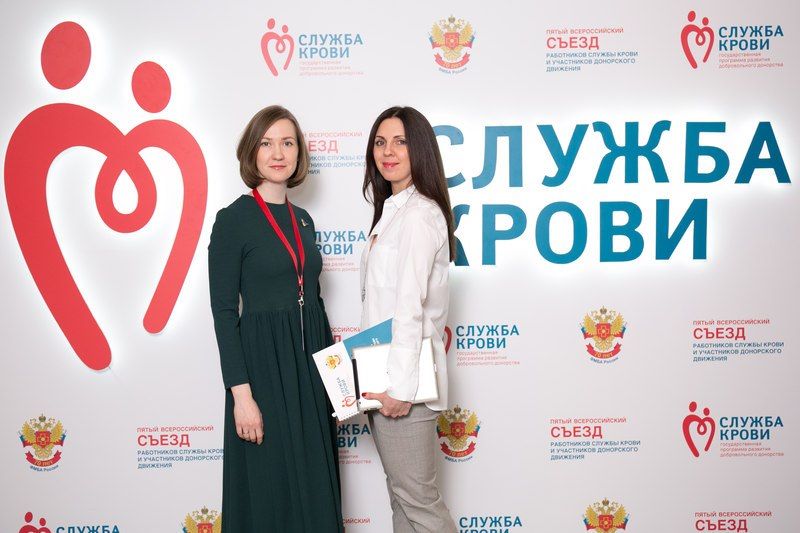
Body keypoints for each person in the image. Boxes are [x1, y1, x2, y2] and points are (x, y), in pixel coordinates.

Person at [208, 105, 343, 532]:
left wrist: (337, 384)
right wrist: (241, 397)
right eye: (267, 143)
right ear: (252, 151)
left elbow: (314, 302)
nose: (278, 153)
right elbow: (223, 313)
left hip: (309, 374)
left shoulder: (303, 220)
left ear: (299, 153)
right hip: (263, 375)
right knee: (271, 494)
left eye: (287, 142)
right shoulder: (233, 220)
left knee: (314, 491)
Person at [360, 106, 458, 533]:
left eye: (400, 142)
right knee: (403, 502)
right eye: (380, 142)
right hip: (386, 380)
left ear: (419, 149)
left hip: (406, 386)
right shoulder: (395, 209)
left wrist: (399, 390)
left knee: (419, 504)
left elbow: (408, 308)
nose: (388, 152)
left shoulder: (418, 214)